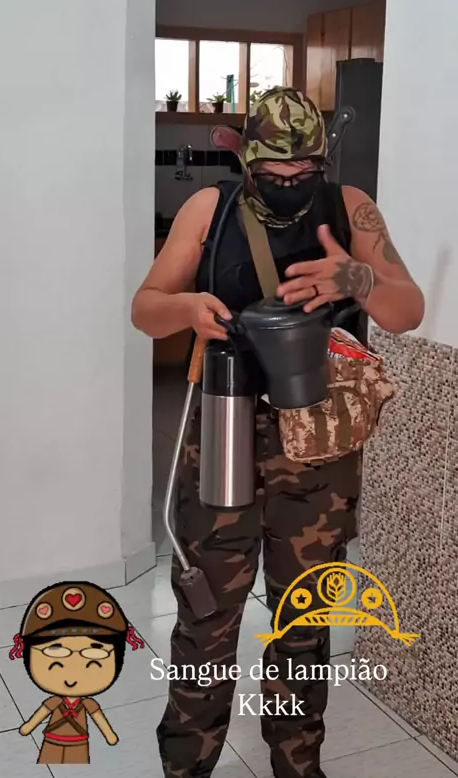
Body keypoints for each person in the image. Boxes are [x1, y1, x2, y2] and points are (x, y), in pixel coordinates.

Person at [132, 88, 424, 778]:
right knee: (206, 619)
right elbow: (145, 308)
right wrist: (186, 308)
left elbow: (407, 310)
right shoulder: (211, 208)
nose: (289, 185)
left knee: (305, 622)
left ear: (321, 161)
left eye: (304, 173)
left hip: (319, 442)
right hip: (223, 430)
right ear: (248, 162)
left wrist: (357, 276)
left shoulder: (350, 207)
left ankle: (298, 764)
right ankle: (186, 767)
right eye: (272, 174)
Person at [9, 580, 144, 765]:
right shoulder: (55, 702)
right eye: (56, 662)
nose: (72, 677)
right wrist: (28, 727)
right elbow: (41, 714)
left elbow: (99, 719)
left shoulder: (87, 703)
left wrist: (110, 735)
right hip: (52, 740)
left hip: (79, 742)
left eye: (92, 661)